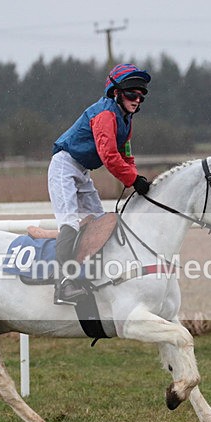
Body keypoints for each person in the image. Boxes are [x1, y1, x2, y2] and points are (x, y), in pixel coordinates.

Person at [48, 63, 152, 305]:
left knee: (100, 222)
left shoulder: (126, 119)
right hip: (64, 166)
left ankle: (97, 275)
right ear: (115, 92)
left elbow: (126, 156)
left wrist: (136, 178)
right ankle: (63, 284)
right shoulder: (105, 114)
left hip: (82, 171)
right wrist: (132, 179)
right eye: (132, 94)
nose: (137, 100)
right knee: (70, 223)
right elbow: (109, 155)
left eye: (141, 95)